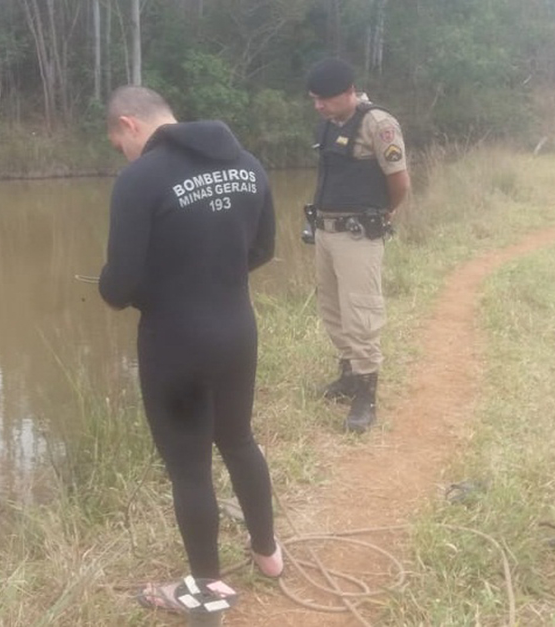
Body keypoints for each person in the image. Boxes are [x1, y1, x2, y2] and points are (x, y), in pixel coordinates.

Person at [98, 85, 282, 606]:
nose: (124, 154)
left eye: (119, 144)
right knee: (239, 441)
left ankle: (207, 591)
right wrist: (213, 276)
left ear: (129, 124)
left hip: (174, 341)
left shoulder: (139, 179)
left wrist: (152, 287)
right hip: (236, 328)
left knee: (189, 467)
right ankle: (268, 553)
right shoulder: (247, 164)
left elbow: (118, 286)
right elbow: (263, 248)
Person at [305, 57, 411, 434]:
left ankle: (366, 394)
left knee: (361, 311)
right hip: (326, 230)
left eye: (326, 99)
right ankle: (349, 373)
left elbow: (399, 182)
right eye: (315, 99)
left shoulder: (378, 125)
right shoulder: (329, 124)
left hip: (359, 233)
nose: (319, 106)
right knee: (332, 307)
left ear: (350, 92)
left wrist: (385, 212)